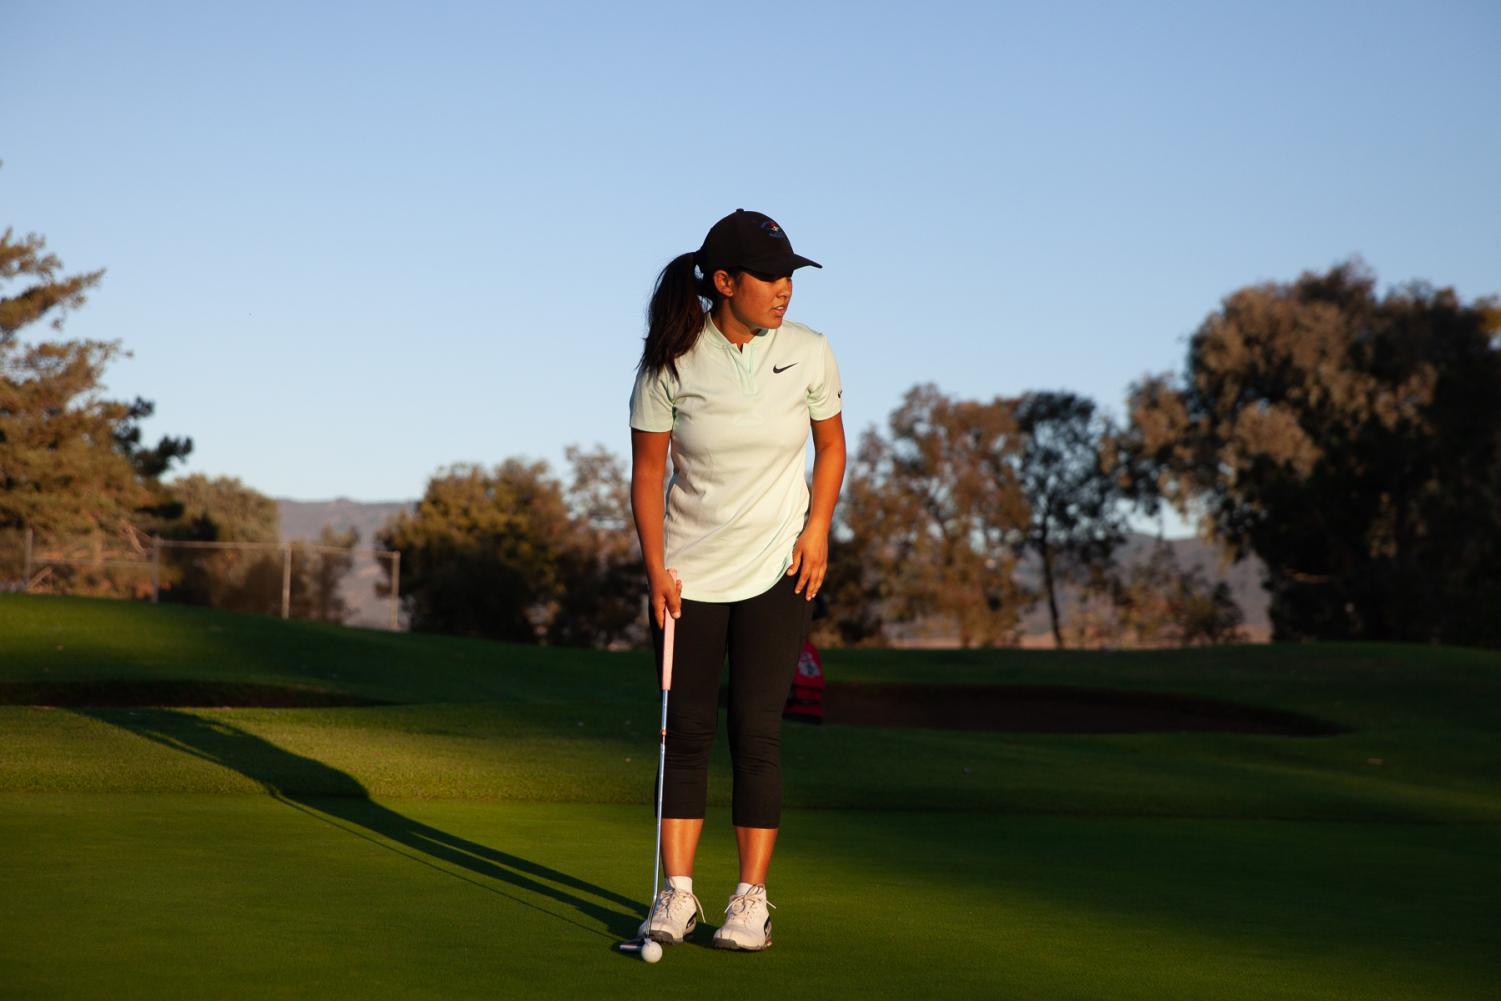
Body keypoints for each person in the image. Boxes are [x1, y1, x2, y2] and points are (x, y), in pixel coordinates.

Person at [628, 209, 846, 951]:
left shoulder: (810, 352)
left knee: (755, 734)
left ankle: (749, 900)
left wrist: (817, 528)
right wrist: (655, 567)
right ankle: (677, 896)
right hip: (689, 577)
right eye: (770, 276)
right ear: (725, 282)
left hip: (777, 572)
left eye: (790, 276)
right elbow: (648, 471)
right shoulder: (670, 362)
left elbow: (831, 447)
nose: (784, 289)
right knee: (685, 735)